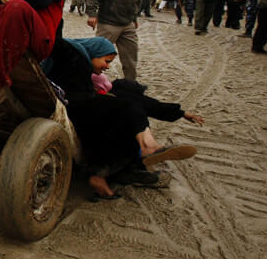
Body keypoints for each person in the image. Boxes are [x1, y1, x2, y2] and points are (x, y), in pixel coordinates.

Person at [44, 36, 199, 199]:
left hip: (84, 111)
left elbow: (144, 102)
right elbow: (56, 38)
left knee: (129, 105)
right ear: (94, 53)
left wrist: (180, 113)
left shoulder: (94, 79)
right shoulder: (74, 56)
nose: (108, 66)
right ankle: (145, 148)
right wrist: (91, 11)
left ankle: (102, 174)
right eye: (107, 61)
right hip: (75, 109)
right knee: (127, 108)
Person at [86, 0, 143, 81]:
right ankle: (87, 83)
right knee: (96, 57)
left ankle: (131, 87)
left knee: (131, 61)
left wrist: (134, 17)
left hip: (127, 24)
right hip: (108, 23)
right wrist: (92, 14)